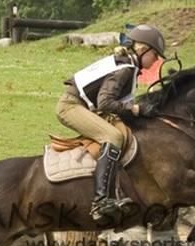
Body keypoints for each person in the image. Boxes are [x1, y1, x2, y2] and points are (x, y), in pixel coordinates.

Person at [56, 24, 166, 224]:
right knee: (113, 136)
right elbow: (105, 102)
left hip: (85, 106)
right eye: (155, 54)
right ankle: (100, 202)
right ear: (142, 50)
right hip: (71, 107)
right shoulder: (125, 68)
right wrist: (135, 110)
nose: (157, 60)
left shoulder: (127, 64)